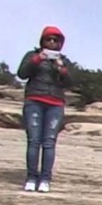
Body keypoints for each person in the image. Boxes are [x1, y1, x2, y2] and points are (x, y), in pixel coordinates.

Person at [15, 26, 75, 192]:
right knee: (34, 140)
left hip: (55, 104)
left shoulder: (63, 60)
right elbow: (21, 74)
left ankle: (45, 179)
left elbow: (71, 83)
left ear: (60, 44)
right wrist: (37, 59)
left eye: (56, 40)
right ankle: (31, 177)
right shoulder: (32, 55)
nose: (52, 42)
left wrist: (61, 69)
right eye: (49, 39)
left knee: (49, 142)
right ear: (43, 41)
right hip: (34, 100)